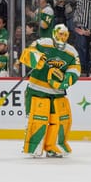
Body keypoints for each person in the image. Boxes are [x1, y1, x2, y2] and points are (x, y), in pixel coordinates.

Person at [19, 23, 81, 158]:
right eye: (60, 34)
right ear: (54, 33)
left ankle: (54, 146)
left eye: (65, 35)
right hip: (37, 89)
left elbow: (75, 68)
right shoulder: (43, 43)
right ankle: (33, 146)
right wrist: (36, 58)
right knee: (37, 119)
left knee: (60, 120)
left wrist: (67, 79)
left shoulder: (71, 51)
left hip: (57, 92)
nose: (62, 37)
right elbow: (27, 52)